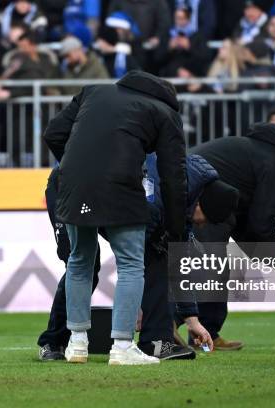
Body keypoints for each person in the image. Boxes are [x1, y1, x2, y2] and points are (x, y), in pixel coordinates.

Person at [42, 70, 187, 365]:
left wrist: (76, 165)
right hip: (120, 186)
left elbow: (53, 133)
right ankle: (122, 345)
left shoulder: (92, 90)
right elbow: (174, 176)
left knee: (79, 262)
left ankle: (77, 344)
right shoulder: (165, 112)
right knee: (132, 265)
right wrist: (175, 229)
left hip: (72, 184)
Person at [38, 152, 240, 361]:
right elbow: (137, 253)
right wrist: (135, 304)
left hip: (108, 190)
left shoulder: (184, 192)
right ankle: (52, 342)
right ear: (200, 204)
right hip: (70, 186)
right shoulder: (161, 191)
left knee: (160, 254)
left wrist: (192, 319)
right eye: (204, 220)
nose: (201, 225)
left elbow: (179, 261)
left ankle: (156, 342)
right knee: (82, 262)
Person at [189, 123, 275, 349]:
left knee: (209, 268)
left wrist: (268, 254)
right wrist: (274, 256)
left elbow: (243, 221)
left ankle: (202, 335)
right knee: (211, 268)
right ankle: (179, 328)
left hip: (191, 194)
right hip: (201, 202)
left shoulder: (255, 153)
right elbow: (263, 220)